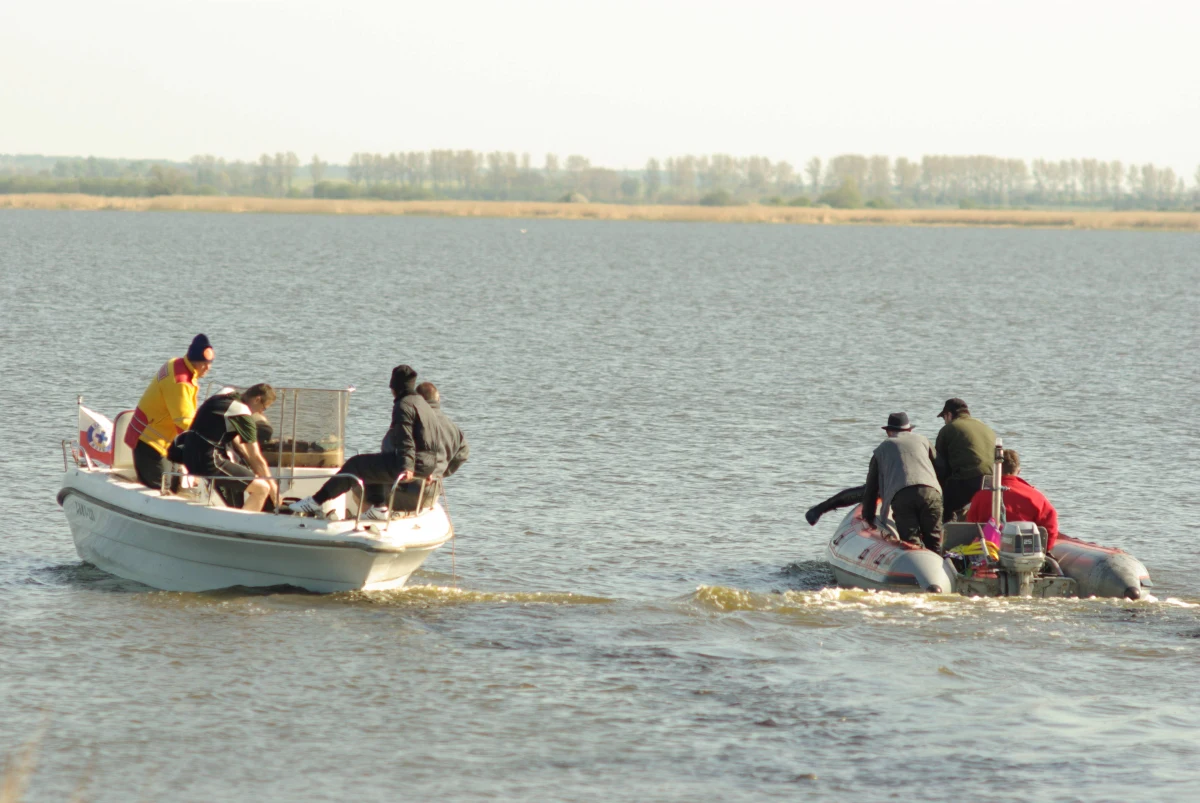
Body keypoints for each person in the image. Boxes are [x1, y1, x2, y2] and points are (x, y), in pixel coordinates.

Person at [288, 365, 440, 520]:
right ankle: (379, 507)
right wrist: (429, 469)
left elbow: (405, 438)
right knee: (372, 464)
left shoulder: (403, 405)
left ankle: (316, 501)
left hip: (411, 465)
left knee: (355, 464)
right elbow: (433, 440)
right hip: (426, 465)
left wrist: (407, 466)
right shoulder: (423, 404)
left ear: (395, 388)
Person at [124, 334, 214, 490]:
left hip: (162, 443)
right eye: (203, 363)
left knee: (174, 485)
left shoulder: (176, 364)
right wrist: (210, 437)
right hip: (149, 443)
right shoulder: (181, 382)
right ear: (193, 360)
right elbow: (184, 423)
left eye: (210, 363)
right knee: (162, 490)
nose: (208, 368)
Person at [174, 384, 279, 512]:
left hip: (188, 452)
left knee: (244, 471)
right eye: (264, 408)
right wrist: (273, 487)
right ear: (257, 399)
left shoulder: (224, 393)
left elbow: (235, 439)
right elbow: (255, 457)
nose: (261, 412)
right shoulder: (242, 414)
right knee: (262, 488)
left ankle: (237, 512)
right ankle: (242, 527)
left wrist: (248, 462)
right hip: (207, 461)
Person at [862, 412, 944, 551]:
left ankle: (916, 569)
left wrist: (868, 517)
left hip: (902, 495)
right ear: (910, 430)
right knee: (934, 541)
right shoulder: (923, 440)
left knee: (911, 544)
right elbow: (941, 467)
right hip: (931, 493)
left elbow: (871, 488)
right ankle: (940, 568)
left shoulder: (881, 449)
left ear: (888, 431)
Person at [966, 449, 1060, 550]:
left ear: (995, 470)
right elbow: (1051, 526)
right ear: (1018, 471)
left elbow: (971, 525)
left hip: (989, 550)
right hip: (1025, 552)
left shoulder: (980, 496)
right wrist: (1045, 550)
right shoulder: (1036, 497)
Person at [933, 398, 997, 522]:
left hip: (966, 482)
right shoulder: (986, 427)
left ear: (949, 415)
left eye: (944, 418)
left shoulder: (949, 429)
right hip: (991, 483)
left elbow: (940, 465)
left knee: (941, 505)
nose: (945, 421)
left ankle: (944, 536)